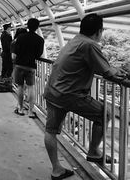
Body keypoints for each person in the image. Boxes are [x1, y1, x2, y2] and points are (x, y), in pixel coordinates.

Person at [43, 13, 127, 180]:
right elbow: (107, 71)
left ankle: (56, 169)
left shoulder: (75, 40)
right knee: (105, 114)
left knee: (50, 131)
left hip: (53, 91)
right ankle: (94, 151)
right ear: (98, 31)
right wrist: (123, 75)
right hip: (69, 94)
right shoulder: (90, 44)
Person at [13, 18, 44, 117]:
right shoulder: (40, 40)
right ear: (37, 27)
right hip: (30, 66)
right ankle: (31, 111)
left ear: (27, 26)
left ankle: (20, 109)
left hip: (19, 65)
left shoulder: (21, 37)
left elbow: (16, 51)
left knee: (20, 87)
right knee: (31, 87)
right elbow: (39, 54)